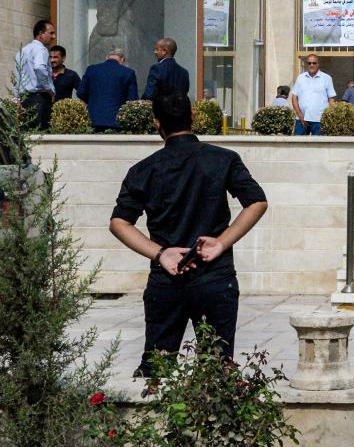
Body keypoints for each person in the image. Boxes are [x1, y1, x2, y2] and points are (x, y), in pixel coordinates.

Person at [108, 92, 268, 377]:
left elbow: (119, 223)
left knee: (155, 371)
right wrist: (221, 243)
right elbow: (257, 202)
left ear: (157, 123)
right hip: (215, 275)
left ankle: (152, 422)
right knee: (217, 370)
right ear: (193, 117)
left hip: (166, 279)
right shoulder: (224, 159)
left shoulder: (143, 170)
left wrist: (160, 253)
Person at [78, 47, 139, 132]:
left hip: (93, 119)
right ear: (122, 60)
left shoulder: (91, 70)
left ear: (107, 57)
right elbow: (132, 99)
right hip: (117, 122)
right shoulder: (128, 72)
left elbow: (81, 92)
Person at [15, 20, 56, 130]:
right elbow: (39, 67)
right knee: (41, 136)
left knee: (28, 136)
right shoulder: (41, 49)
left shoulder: (22, 51)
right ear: (41, 34)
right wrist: (48, 89)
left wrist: (18, 98)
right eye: (51, 33)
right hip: (39, 98)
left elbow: (18, 76)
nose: (54, 36)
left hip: (25, 100)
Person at [290, 54, 336, 135]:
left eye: (314, 63)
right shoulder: (300, 78)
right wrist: (300, 115)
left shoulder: (326, 78)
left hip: (319, 120)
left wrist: (330, 116)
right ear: (306, 64)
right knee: (298, 146)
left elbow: (331, 99)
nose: (311, 65)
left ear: (318, 64)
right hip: (301, 119)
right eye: (309, 63)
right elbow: (294, 97)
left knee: (319, 146)